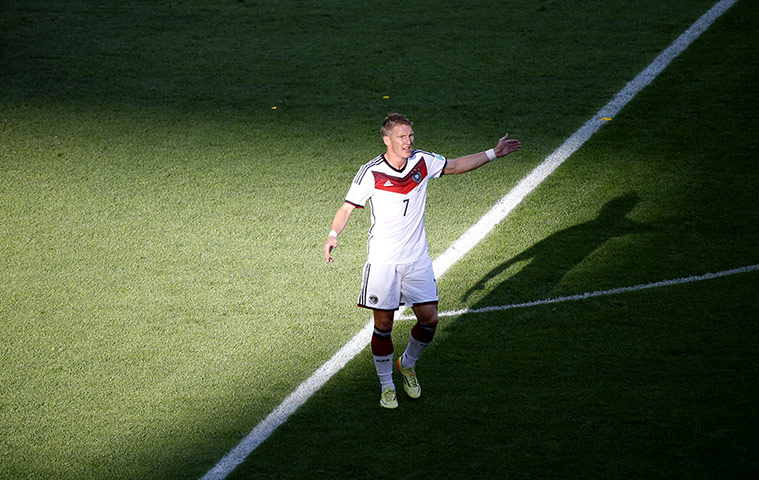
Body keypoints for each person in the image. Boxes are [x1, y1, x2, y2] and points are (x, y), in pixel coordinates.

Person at [324, 113, 521, 409]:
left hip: (417, 259)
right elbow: (347, 208)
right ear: (387, 140)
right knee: (384, 325)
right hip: (383, 262)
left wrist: (494, 152)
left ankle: (408, 363)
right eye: (402, 137)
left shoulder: (422, 161)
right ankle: (387, 385)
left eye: (411, 136)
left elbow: (454, 166)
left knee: (429, 320)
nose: (408, 142)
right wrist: (333, 234)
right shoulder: (371, 172)